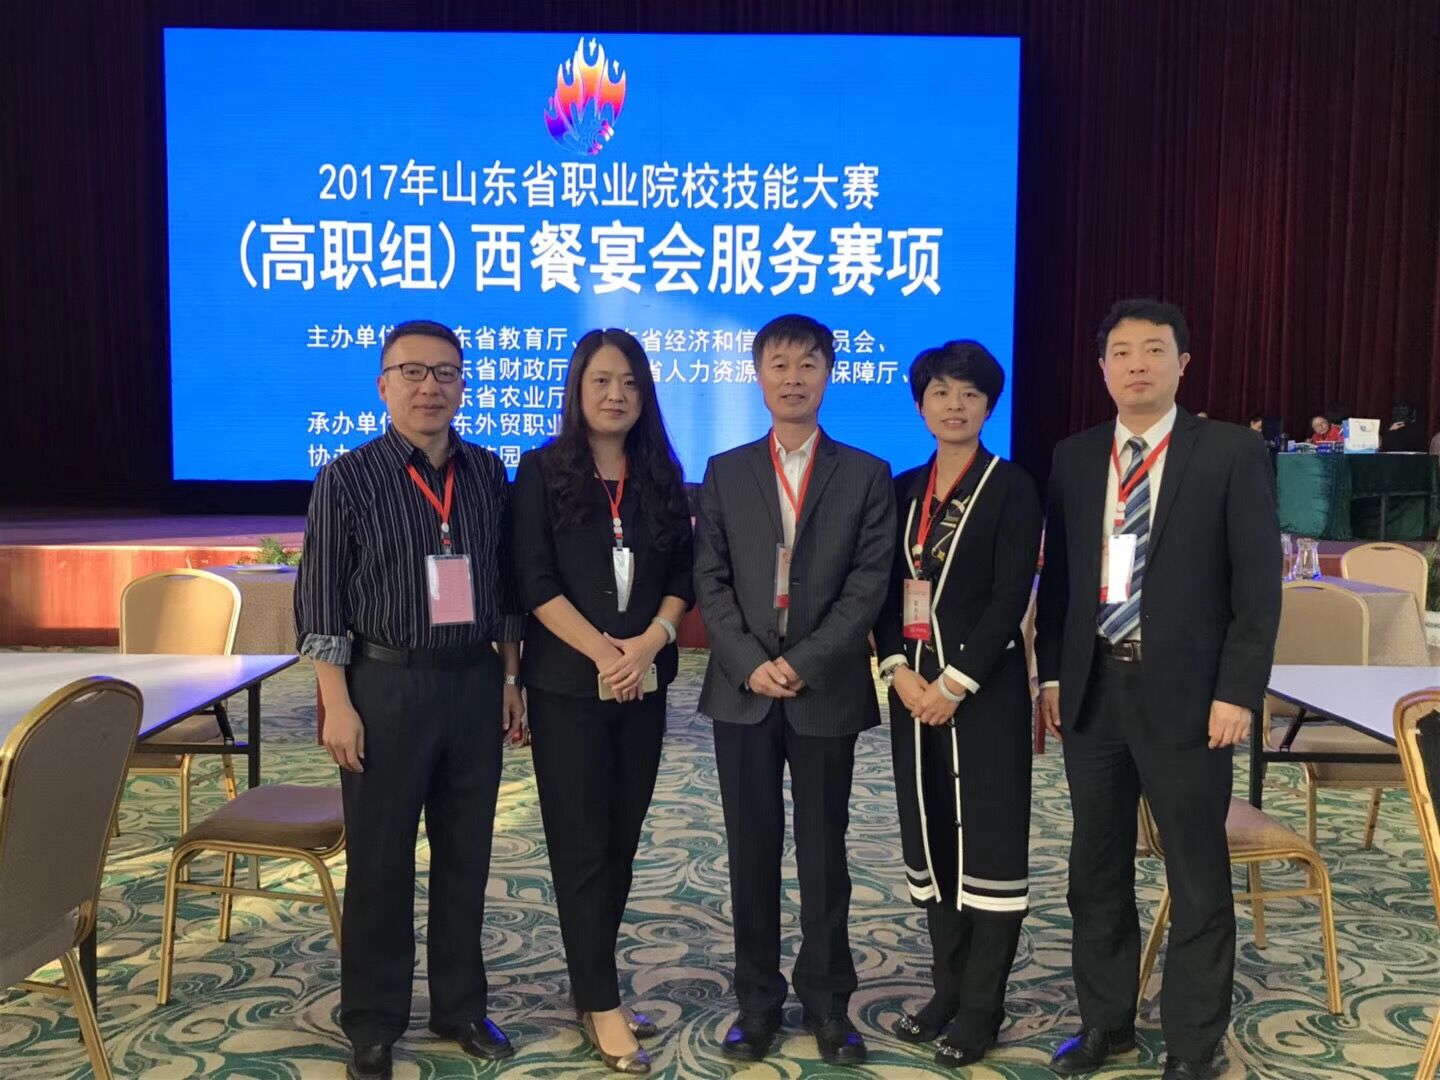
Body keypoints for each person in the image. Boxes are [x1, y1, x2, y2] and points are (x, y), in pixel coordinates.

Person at [1036, 299, 1280, 1080]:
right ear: (1102, 367)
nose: (1137, 363)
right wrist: (1053, 674)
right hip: (1095, 693)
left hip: (1192, 701)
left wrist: (1238, 691)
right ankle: (1106, 1024)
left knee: (1196, 875)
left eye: (1153, 349)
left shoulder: (1231, 452)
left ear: (1183, 363)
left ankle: (1193, 1044)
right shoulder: (1075, 457)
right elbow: (1062, 583)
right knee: (1095, 870)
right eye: (1121, 351)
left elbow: (1257, 586)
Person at [295, 320, 527, 1080]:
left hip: (473, 682)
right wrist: (338, 704)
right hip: (383, 686)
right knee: (381, 863)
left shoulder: (487, 471)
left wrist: (511, 680)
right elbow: (321, 602)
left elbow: (504, 588)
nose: (430, 386)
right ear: (383, 385)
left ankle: (460, 1007)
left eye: (445, 372)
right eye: (412, 372)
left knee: (467, 856)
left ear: (463, 383)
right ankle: (372, 1021)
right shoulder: (347, 477)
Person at [693, 314, 895, 1066]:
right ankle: (756, 1003)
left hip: (824, 690)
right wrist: (749, 661)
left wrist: (805, 661)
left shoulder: (866, 473)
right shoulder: (725, 470)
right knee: (750, 852)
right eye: (778, 364)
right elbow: (709, 578)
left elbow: (868, 584)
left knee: (823, 853)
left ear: (829, 373)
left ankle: (828, 1003)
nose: (793, 377)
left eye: (808, 363)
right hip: (743, 691)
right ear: (758, 375)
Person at [511, 329, 694, 1075]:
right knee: (580, 844)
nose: (616, 394)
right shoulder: (542, 470)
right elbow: (533, 580)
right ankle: (602, 1000)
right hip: (568, 688)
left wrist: (647, 644)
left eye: (629, 382)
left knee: (620, 841)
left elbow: (682, 575)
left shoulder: (660, 471)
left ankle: (593, 985)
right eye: (601, 381)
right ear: (577, 390)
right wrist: (603, 653)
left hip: (642, 685)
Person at [873, 341, 1042, 1069]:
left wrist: (953, 684)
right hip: (911, 697)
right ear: (920, 404)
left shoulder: (1012, 486)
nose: (954, 405)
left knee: (990, 848)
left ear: (989, 405)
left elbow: (1011, 595)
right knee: (934, 843)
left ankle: (982, 1007)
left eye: (970, 394)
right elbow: (880, 591)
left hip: (983, 696)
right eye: (940, 392)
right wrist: (895, 672)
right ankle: (948, 988)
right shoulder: (901, 490)